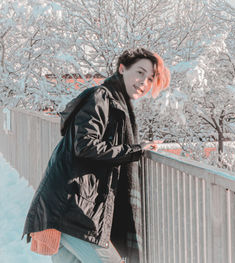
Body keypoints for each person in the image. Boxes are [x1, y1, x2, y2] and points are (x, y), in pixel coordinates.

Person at [22, 48, 170, 263]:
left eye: (150, 78)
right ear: (122, 68)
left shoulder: (114, 102)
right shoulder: (101, 97)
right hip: (72, 210)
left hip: (71, 207)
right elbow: (85, 145)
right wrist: (135, 150)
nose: (144, 82)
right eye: (139, 72)